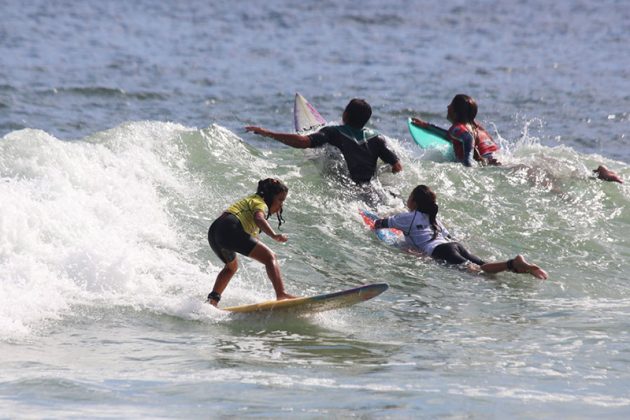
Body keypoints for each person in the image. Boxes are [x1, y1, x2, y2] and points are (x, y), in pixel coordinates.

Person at [373, 185, 548, 279]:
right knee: (482, 265)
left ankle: (513, 263)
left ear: (415, 202)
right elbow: (448, 237)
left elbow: (379, 224)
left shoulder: (408, 217)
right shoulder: (434, 219)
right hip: (454, 245)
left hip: (440, 251)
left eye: (410, 197)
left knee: (479, 271)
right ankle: (522, 268)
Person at [246, 98, 403, 185]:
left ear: (345, 115)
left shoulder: (333, 132)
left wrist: (267, 133)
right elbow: (397, 167)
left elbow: (303, 142)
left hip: (346, 190)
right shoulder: (377, 139)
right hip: (371, 189)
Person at [206, 178, 296, 307]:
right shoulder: (260, 203)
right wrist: (274, 235)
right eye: (280, 200)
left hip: (215, 231)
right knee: (270, 257)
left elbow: (249, 233)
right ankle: (281, 294)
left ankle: (212, 302)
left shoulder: (249, 201)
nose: (281, 205)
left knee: (231, 267)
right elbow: (259, 218)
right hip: (230, 228)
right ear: (270, 197)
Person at [412, 94, 500, 167]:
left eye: (451, 105)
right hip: (497, 157)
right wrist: (427, 126)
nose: (447, 106)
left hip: (486, 162)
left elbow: (467, 137)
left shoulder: (457, 127)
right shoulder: (478, 127)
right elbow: (450, 135)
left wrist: (467, 163)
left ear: (455, 112)